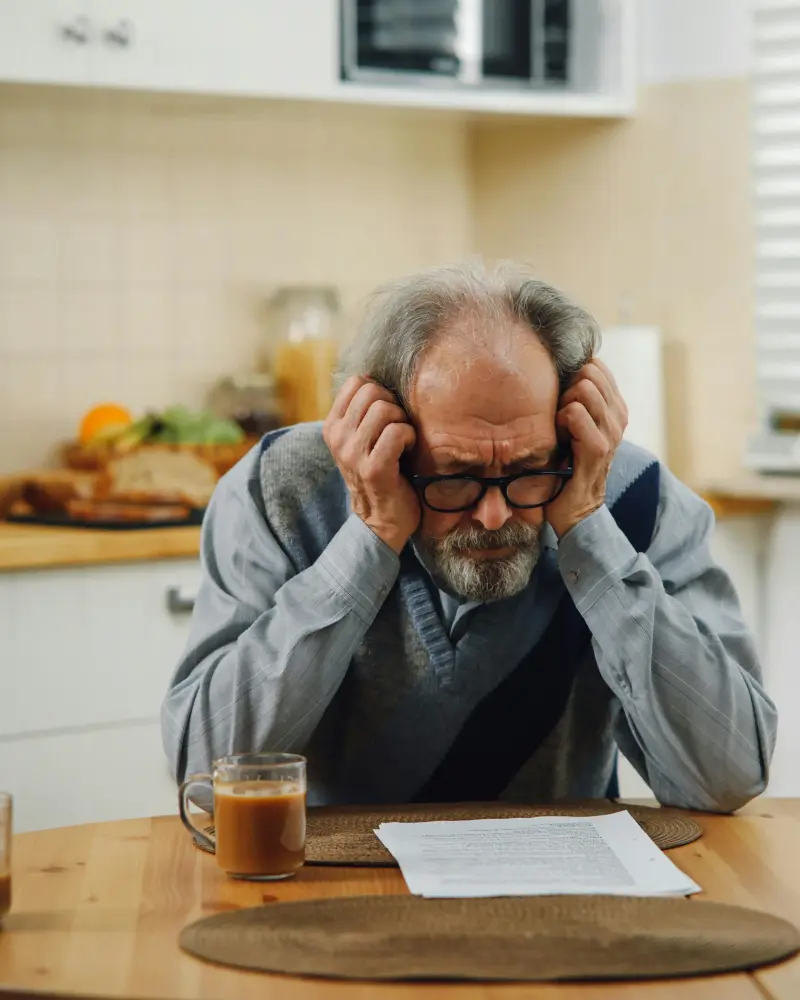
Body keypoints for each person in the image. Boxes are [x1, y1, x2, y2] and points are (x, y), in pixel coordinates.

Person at [161, 260, 776, 813]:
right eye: (454, 475)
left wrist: (590, 532)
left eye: (527, 469)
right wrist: (368, 542)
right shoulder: (278, 491)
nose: (491, 515)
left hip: (570, 903)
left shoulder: (633, 496)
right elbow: (207, 775)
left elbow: (728, 775)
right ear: (386, 433)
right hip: (328, 896)